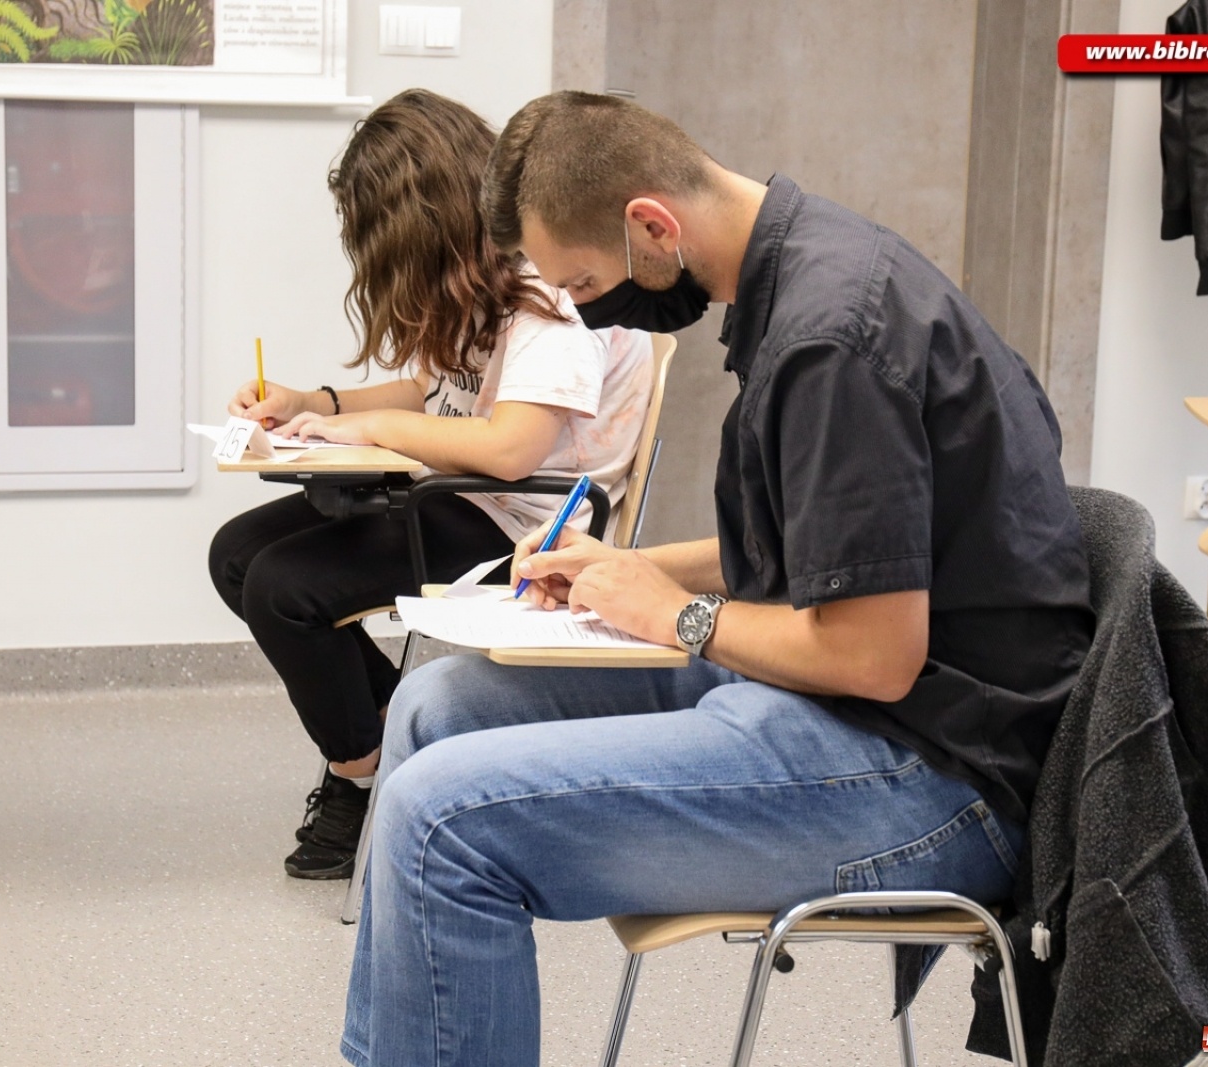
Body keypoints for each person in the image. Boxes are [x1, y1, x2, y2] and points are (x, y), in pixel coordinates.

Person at [340, 92, 1094, 1067]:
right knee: (436, 702)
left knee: (436, 816)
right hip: (844, 704)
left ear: (651, 225)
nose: (581, 305)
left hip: (931, 776)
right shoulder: (793, 272)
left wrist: (678, 614)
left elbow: (872, 654)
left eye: (583, 279)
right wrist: (626, 566)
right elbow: (824, 550)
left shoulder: (829, 339)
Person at [208, 89, 652, 881]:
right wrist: (317, 406)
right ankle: (386, 735)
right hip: (459, 494)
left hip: (524, 527)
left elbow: (513, 448)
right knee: (237, 553)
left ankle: (361, 774)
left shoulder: (547, 294)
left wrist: (370, 432)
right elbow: (435, 396)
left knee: (283, 587)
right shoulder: (483, 289)